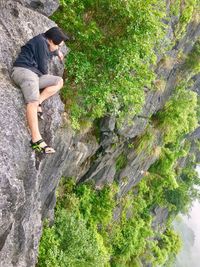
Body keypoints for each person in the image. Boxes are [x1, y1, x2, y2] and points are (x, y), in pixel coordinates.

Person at [11, 27, 69, 154]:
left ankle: (39, 103)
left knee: (59, 81)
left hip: (35, 75)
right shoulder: (41, 43)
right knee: (32, 101)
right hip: (24, 71)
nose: (60, 47)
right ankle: (36, 140)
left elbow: (51, 50)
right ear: (51, 42)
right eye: (59, 45)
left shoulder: (45, 40)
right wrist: (54, 52)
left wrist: (57, 52)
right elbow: (43, 69)